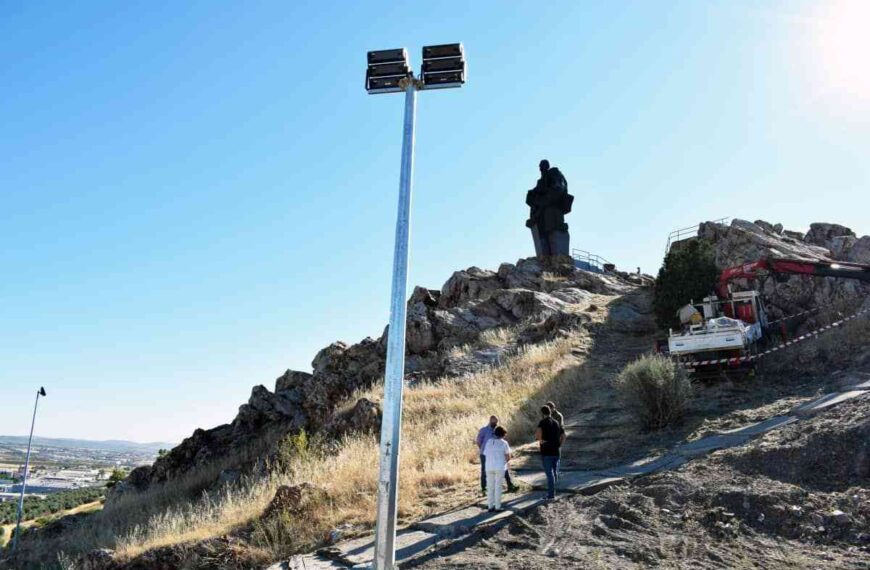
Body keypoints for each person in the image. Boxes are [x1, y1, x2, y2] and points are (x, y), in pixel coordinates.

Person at [476, 416, 519, 494]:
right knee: (484, 470)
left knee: (504, 467)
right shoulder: (484, 430)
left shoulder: (497, 430)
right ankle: (484, 488)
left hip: (497, 453)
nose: (495, 424)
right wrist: (483, 449)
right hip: (485, 454)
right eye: (493, 423)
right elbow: (478, 441)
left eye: (496, 422)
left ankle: (510, 485)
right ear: (490, 421)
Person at [536, 405, 566, 500]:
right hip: (556, 451)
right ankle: (553, 491)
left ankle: (551, 495)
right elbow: (564, 435)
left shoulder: (542, 422)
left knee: (549, 474)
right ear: (550, 412)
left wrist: (541, 441)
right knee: (554, 472)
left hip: (546, 451)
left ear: (542, 413)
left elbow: (538, 435)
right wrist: (559, 445)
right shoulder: (556, 422)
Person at [483, 426, 511, 512]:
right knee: (498, 487)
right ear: (503, 435)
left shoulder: (488, 442)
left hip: (489, 466)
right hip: (499, 467)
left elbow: (485, 453)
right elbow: (507, 457)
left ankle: (490, 506)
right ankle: (498, 507)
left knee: (490, 486)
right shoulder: (504, 443)